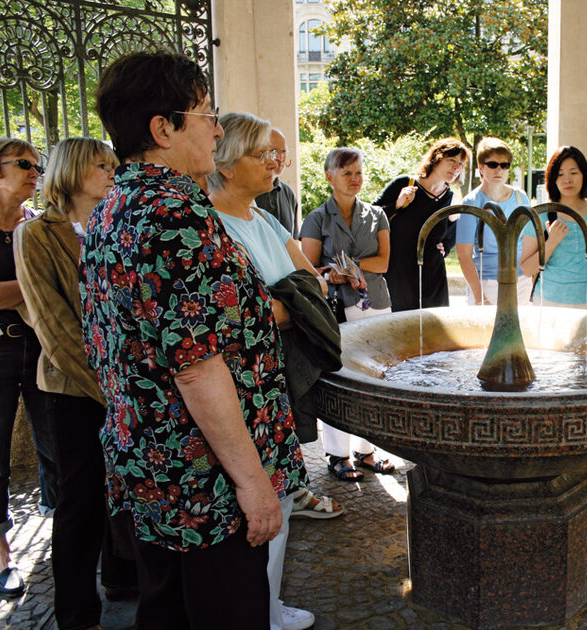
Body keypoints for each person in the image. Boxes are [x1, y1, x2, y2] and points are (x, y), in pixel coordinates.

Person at [83, 51, 309, 629]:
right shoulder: (175, 215)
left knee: (167, 612)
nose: (216, 126)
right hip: (203, 487)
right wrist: (253, 484)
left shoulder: (115, 205)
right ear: (163, 129)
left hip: (155, 472)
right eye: (205, 113)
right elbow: (197, 366)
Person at [208, 112, 343, 630]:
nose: (275, 163)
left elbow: (311, 288)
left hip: (275, 382)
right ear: (227, 159)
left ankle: (267, 608)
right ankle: (251, 612)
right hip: (243, 387)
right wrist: (293, 301)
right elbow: (252, 311)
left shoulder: (262, 218)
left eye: (277, 154)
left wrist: (291, 300)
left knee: (281, 502)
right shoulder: (213, 226)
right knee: (253, 509)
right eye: (263, 154)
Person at [14, 137, 138, 627]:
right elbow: (55, 330)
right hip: (73, 392)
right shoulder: (36, 235)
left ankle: (125, 578)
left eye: (113, 164)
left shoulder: (115, 225)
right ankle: (77, 614)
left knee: (128, 493)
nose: (112, 172)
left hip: (125, 387)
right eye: (100, 165)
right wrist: (110, 391)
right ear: (69, 171)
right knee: (79, 502)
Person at [300, 148, 395, 481]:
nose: (355, 179)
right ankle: (338, 453)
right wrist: (330, 274)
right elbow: (307, 270)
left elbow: (383, 263)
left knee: (374, 377)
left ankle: (367, 449)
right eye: (346, 173)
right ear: (329, 177)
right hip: (337, 307)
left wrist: (353, 266)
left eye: (358, 172)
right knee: (340, 378)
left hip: (376, 302)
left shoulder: (377, 215)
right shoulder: (316, 219)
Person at [0, 137, 57, 598]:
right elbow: (39, 283)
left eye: (38, 165)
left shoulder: (35, 224)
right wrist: (30, 280)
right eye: (23, 164)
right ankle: (2, 556)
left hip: (40, 347)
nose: (35, 172)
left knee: (58, 441)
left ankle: (63, 535)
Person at [374, 137, 469, 312]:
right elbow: (371, 217)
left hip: (432, 277)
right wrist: (397, 204)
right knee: (398, 328)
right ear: (436, 159)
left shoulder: (451, 199)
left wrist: (445, 248)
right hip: (398, 272)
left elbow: (451, 234)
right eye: (452, 160)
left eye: (461, 164)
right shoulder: (404, 184)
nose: (456, 167)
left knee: (434, 332)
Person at [519, 145, 587, 311]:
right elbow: (527, 269)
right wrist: (551, 242)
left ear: (584, 174)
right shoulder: (541, 215)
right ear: (553, 179)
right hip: (550, 304)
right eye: (560, 174)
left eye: (573, 173)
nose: (567, 180)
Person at [456, 137, 532, 305]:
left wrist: (530, 281)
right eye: (493, 164)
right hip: (487, 283)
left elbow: (529, 244)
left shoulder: (521, 198)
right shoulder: (471, 202)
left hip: (521, 282)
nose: (499, 169)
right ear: (481, 167)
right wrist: (479, 297)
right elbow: (463, 256)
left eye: (504, 165)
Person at [254, 127, 300, 239]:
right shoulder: (250, 191)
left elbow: (293, 240)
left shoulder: (288, 193)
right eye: (273, 151)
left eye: (283, 151)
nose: (280, 157)